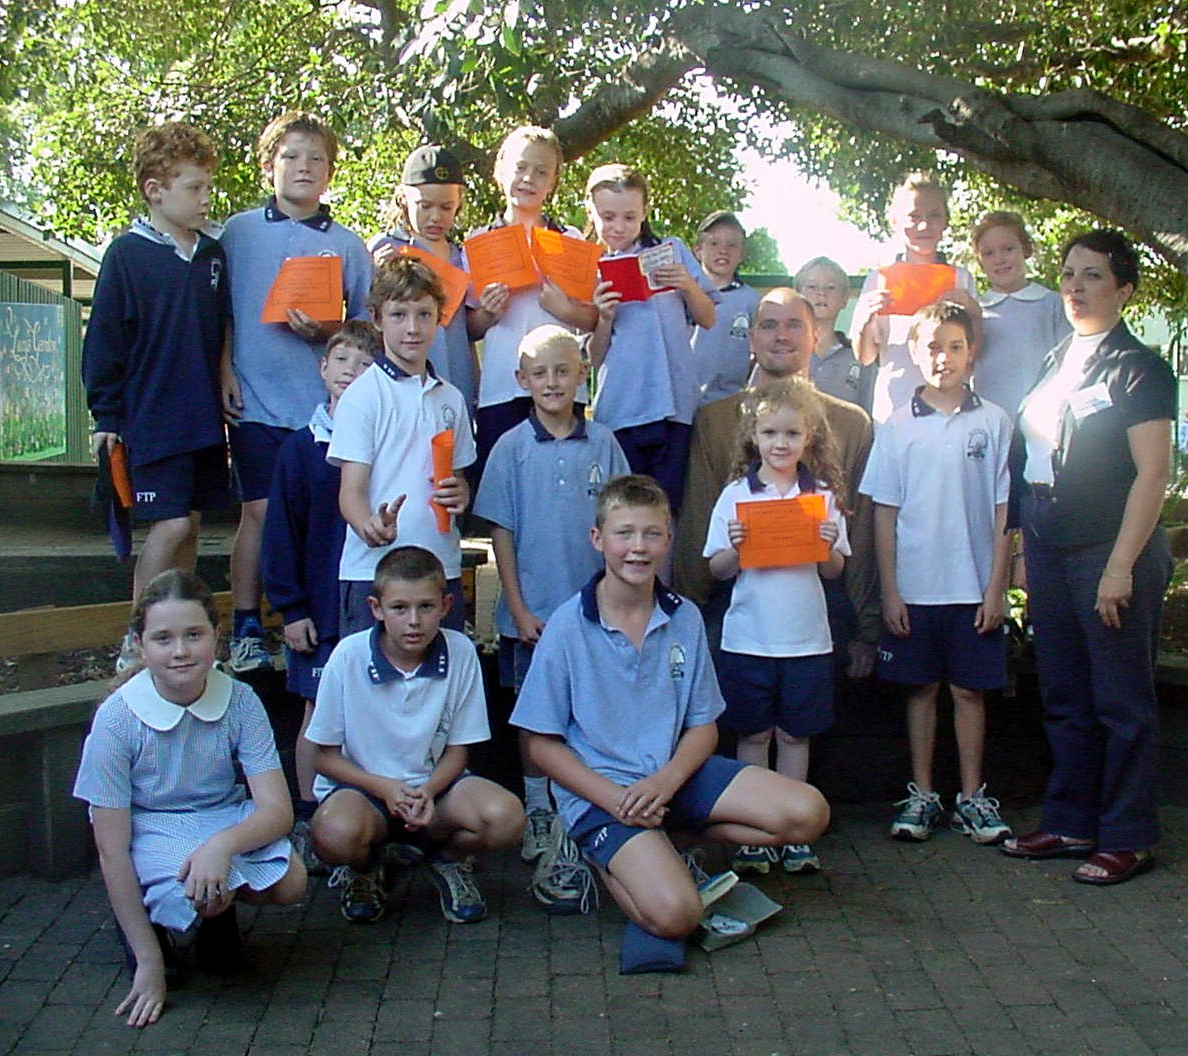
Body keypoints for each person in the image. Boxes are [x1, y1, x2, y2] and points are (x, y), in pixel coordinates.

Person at [510, 475, 830, 946]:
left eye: (652, 534)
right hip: (604, 793)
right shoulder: (566, 626)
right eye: (624, 534)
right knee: (676, 917)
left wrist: (665, 783)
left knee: (809, 813)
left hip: (669, 780)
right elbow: (541, 744)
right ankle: (594, 852)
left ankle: (669, 843)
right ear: (598, 539)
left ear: (668, 539)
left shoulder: (683, 617)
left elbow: (703, 726)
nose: (638, 548)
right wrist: (613, 799)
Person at [999, 229, 1175, 886]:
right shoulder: (1055, 360)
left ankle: (1128, 835)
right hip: (1049, 545)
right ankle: (1070, 819)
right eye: (1070, 273)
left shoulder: (1139, 369)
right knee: (1065, 694)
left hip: (1108, 548)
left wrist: (1122, 566)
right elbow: (1031, 461)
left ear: (1124, 290)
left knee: (1121, 700)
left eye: (1093, 275)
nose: (1076, 286)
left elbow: (1152, 475)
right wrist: (1020, 547)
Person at [73, 571, 307, 1028]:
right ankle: (152, 934)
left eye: (194, 635)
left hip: (218, 818)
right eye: (163, 638)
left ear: (216, 637)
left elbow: (278, 810)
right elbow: (111, 850)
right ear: (140, 644)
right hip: (152, 826)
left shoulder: (240, 700)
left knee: (291, 882)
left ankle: (214, 919)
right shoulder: (117, 720)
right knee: (194, 887)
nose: (180, 651)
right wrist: (148, 964)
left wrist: (221, 846)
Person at [472, 324, 629, 912]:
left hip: (591, 612)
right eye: (540, 373)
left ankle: (580, 811)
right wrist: (514, 605)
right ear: (522, 381)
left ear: (581, 374)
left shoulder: (605, 443)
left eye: (563, 371)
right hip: (531, 616)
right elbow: (501, 532)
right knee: (534, 719)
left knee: (589, 712)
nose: (552, 382)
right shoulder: (510, 447)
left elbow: (620, 524)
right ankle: (539, 810)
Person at [221, 111, 374, 674]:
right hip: (256, 400)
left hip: (325, 413)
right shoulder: (237, 233)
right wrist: (223, 370)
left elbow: (365, 328)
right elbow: (219, 313)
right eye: (291, 156)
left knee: (323, 516)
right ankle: (245, 626)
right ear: (269, 166)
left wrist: (327, 332)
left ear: (331, 172)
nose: (304, 168)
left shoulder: (348, 245)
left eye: (316, 159)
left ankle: (317, 621)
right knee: (259, 514)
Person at [305, 546, 523, 923]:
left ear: (446, 605)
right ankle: (366, 866)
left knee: (506, 818)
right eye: (399, 608)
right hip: (365, 794)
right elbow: (323, 756)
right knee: (332, 833)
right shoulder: (348, 656)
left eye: (426, 607)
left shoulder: (461, 652)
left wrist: (428, 789)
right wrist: (385, 788)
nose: (414, 621)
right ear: (376, 608)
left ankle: (446, 859)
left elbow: (459, 750)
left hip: (434, 793)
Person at [864, 303, 1015, 845]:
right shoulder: (897, 425)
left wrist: (996, 588)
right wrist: (891, 590)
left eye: (954, 346)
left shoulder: (994, 422)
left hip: (974, 587)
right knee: (921, 690)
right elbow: (885, 511)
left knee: (970, 692)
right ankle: (923, 794)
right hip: (915, 587)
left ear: (971, 351)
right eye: (932, 346)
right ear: (913, 352)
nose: (943, 357)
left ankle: (972, 798)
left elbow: (1004, 511)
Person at [82, 122, 231, 665]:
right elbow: (104, 341)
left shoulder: (213, 253)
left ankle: (181, 633)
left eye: (206, 187)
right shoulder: (125, 255)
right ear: (155, 189)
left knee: (189, 524)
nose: (204, 198)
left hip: (202, 417)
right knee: (167, 524)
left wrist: (226, 375)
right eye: (193, 188)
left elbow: (222, 327)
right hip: (152, 417)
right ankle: (138, 635)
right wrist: (107, 412)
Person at [675, 288, 879, 681]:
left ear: (815, 337)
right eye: (768, 325)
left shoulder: (852, 424)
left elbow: (863, 530)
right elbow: (698, 523)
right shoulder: (715, 420)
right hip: (736, 602)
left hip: (822, 604)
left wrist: (866, 627)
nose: (781, 335)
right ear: (752, 339)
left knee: (806, 731)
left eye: (794, 325)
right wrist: (691, 615)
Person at [703, 377, 849, 875]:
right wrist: (737, 548)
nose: (781, 443)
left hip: (807, 640)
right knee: (752, 735)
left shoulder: (823, 498)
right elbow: (716, 570)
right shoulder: (734, 497)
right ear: (754, 437)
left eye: (791, 433)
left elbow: (834, 571)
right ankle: (756, 830)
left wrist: (827, 543)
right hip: (748, 639)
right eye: (770, 433)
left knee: (795, 737)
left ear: (808, 437)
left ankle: (794, 831)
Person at [261, 320, 379, 866]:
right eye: (341, 362)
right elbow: (281, 533)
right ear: (322, 369)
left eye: (363, 364)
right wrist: (291, 607)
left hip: (368, 601)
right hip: (318, 608)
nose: (351, 374)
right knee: (317, 709)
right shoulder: (299, 450)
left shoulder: (382, 439)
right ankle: (309, 815)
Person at [329, 258, 476, 636]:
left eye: (424, 314)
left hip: (440, 569)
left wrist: (460, 493)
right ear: (377, 319)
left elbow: (456, 482)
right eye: (399, 315)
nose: (412, 328)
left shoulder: (451, 398)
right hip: (374, 572)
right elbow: (351, 493)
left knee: (440, 688)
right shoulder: (363, 396)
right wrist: (370, 525)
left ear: (440, 318)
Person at [587, 164, 717, 513]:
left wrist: (687, 284)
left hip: (673, 403)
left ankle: (665, 570)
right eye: (608, 216)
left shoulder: (671, 249)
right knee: (621, 507)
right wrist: (603, 317)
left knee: (666, 507)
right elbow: (593, 358)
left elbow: (708, 317)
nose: (618, 227)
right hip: (621, 407)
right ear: (592, 212)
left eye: (629, 217)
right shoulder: (591, 267)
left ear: (644, 211)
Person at [468, 126, 596, 477]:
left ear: (553, 182)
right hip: (501, 387)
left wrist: (564, 310)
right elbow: (468, 327)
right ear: (500, 170)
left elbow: (593, 318)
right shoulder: (479, 241)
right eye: (521, 167)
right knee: (502, 489)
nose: (529, 178)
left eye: (542, 171)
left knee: (564, 481)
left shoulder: (569, 239)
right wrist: (488, 312)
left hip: (562, 386)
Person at [849, 172, 983, 422]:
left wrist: (974, 314)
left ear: (945, 223)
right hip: (894, 408)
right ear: (895, 222)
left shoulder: (961, 279)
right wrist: (864, 321)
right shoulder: (879, 278)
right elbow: (866, 357)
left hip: (949, 410)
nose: (924, 226)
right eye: (914, 216)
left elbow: (973, 356)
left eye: (934, 216)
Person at [369, 144, 478, 417]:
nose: (435, 217)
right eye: (424, 206)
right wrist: (376, 270)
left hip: (456, 385)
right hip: (401, 390)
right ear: (404, 199)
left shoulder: (463, 255)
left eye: (446, 207)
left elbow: (468, 329)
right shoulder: (386, 248)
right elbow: (366, 319)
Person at [969, 210, 1067, 415]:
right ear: (979, 261)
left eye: (1008, 249)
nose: (999, 259)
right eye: (988, 253)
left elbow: (1068, 365)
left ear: (1025, 249)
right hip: (989, 422)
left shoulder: (1052, 304)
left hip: (1043, 419)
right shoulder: (976, 310)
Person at [690, 210, 760, 403]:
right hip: (683, 402)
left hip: (729, 403)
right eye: (714, 243)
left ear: (741, 254)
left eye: (732, 245)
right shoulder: (682, 294)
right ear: (697, 250)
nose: (723, 251)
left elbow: (760, 354)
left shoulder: (753, 301)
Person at [797, 256, 875, 414]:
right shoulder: (785, 351)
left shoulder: (859, 358)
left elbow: (868, 415)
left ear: (844, 299)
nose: (821, 293)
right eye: (812, 286)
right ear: (798, 295)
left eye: (831, 287)